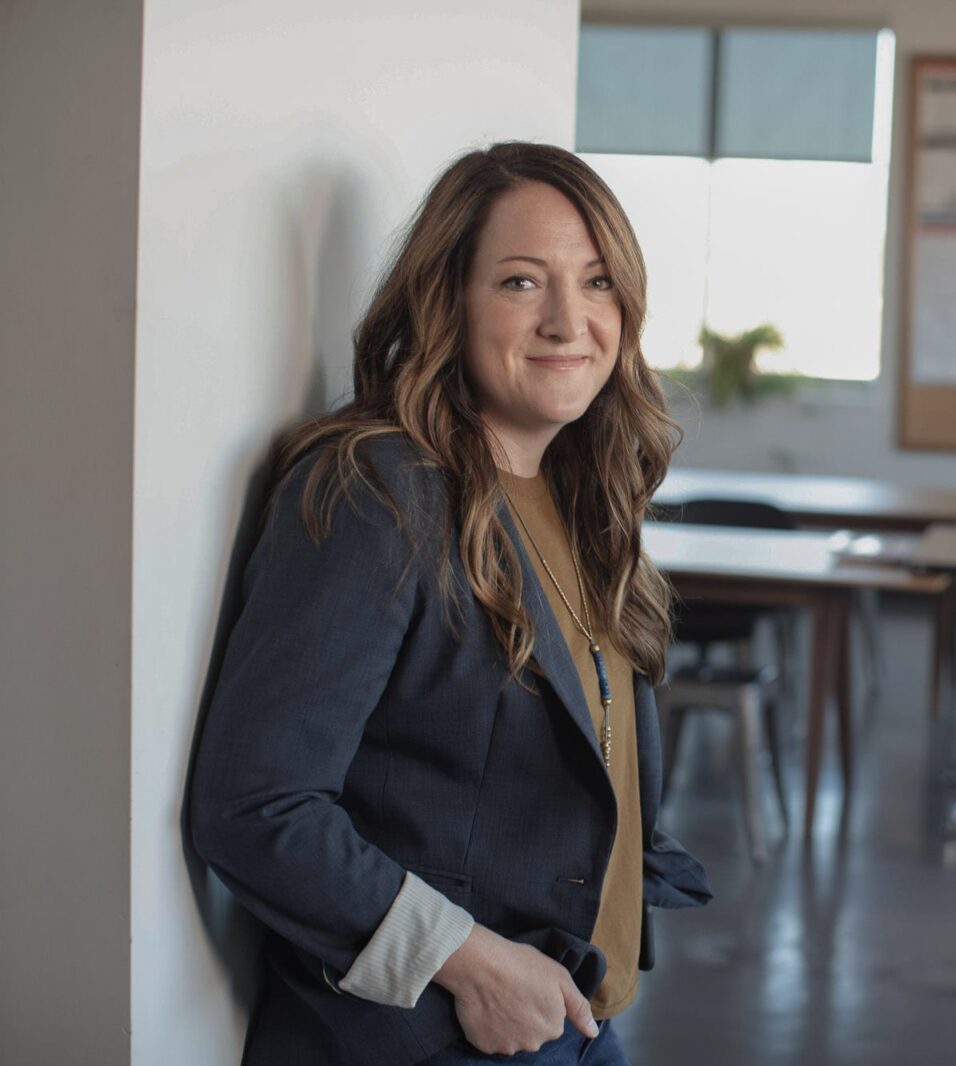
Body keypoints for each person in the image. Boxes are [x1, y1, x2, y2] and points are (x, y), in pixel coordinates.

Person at [189, 142, 710, 1066]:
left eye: (597, 283)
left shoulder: (581, 495)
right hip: (438, 1033)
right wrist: (467, 962)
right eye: (520, 282)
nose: (568, 319)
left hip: (573, 1016)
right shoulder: (378, 492)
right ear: (449, 301)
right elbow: (256, 803)